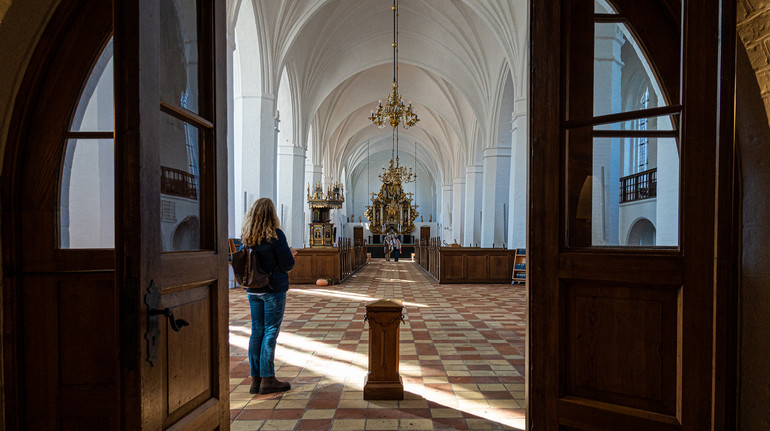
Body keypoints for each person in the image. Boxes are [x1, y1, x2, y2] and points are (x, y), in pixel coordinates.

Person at [241, 198, 297, 395]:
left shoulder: (247, 236)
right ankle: (268, 379)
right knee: (270, 331)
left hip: (254, 289)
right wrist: (291, 255)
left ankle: (255, 380)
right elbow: (287, 264)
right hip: (273, 289)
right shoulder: (276, 235)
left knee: (257, 331)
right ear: (272, 214)